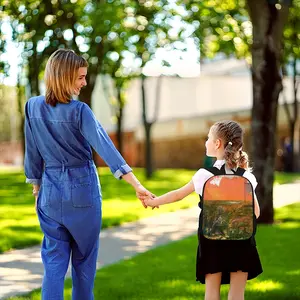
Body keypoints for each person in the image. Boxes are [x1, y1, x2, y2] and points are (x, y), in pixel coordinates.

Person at [24, 48, 153, 300]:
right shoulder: (79, 111)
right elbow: (107, 148)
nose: (84, 83)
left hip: (49, 194)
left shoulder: (32, 107)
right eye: (80, 77)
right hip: (82, 192)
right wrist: (136, 184)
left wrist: (37, 189)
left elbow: (32, 153)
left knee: (53, 264)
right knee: (83, 264)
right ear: (64, 77)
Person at [145, 120, 263, 300]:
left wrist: (155, 201)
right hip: (241, 241)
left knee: (211, 293)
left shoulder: (204, 175)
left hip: (212, 242)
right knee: (237, 294)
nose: (206, 142)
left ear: (217, 144)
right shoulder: (246, 176)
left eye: (208, 138)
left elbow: (178, 195)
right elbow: (256, 212)